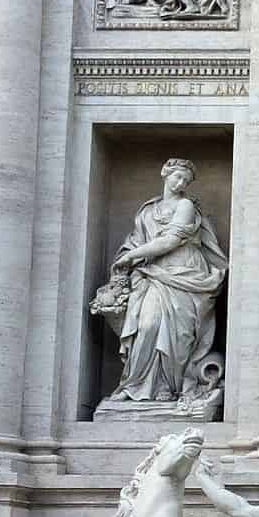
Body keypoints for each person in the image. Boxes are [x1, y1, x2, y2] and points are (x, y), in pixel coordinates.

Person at [95, 159, 228, 405]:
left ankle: (169, 388)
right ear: (165, 174)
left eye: (186, 181)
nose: (181, 183)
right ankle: (134, 384)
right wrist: (128, 259)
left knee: (179, 336)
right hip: (153, 274)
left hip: (185, 272)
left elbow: (170, 241)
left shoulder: (186, 205)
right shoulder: (147, 211)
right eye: (178, 177)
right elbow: (135, 241)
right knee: (147, 325)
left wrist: (131, 257)